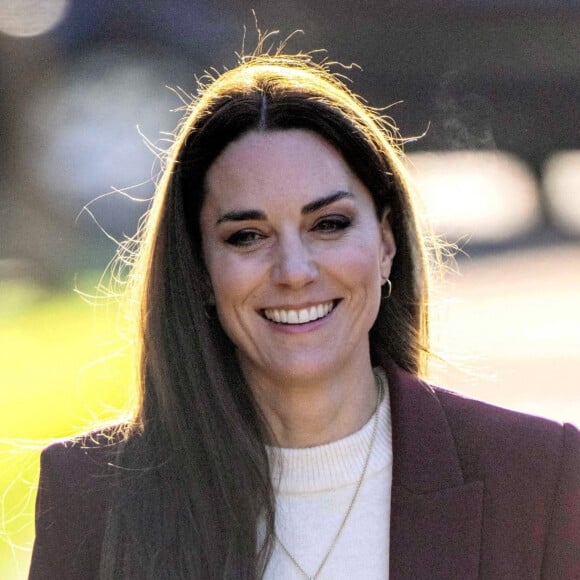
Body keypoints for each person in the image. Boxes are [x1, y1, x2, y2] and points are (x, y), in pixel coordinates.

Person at [29, 50, 580, 580]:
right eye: (247, 236)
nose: (294, 271)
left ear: (386, 242)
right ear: (198, 269)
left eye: (329, 225)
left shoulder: (537, 477)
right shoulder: (92, 495)